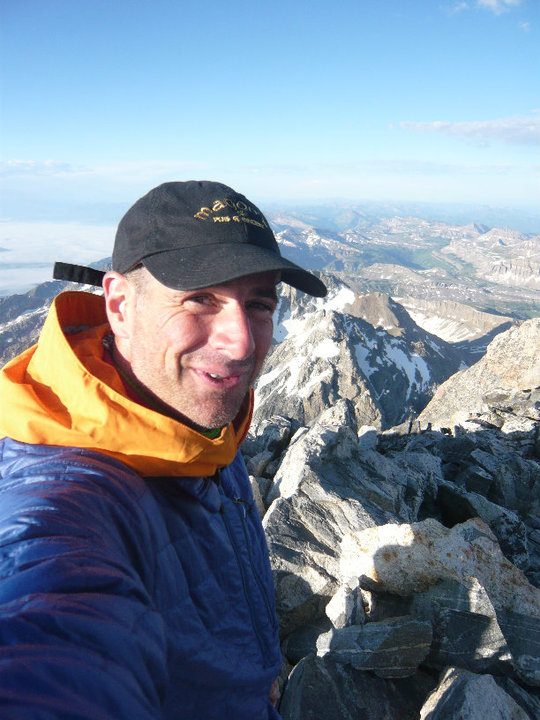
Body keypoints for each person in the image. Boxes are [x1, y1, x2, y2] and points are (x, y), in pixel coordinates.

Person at [0, 181, 327, 719]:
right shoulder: (68, 494)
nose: (242, 341)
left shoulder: (191, 417)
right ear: (120, 304)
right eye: (201, 299)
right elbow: (49, 616)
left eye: (258, 304)